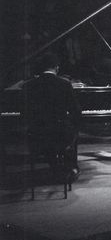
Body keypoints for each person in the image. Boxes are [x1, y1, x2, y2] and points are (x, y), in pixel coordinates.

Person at [22, 52, 81, 180]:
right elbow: (76, 111)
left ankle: (54, 166)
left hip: (37, 134)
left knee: (48, 136)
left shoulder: (28, 86)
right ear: (57, 68)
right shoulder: (64, 84)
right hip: (60, 133)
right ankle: (71, 166)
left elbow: (24, 114)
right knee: (72, 131)